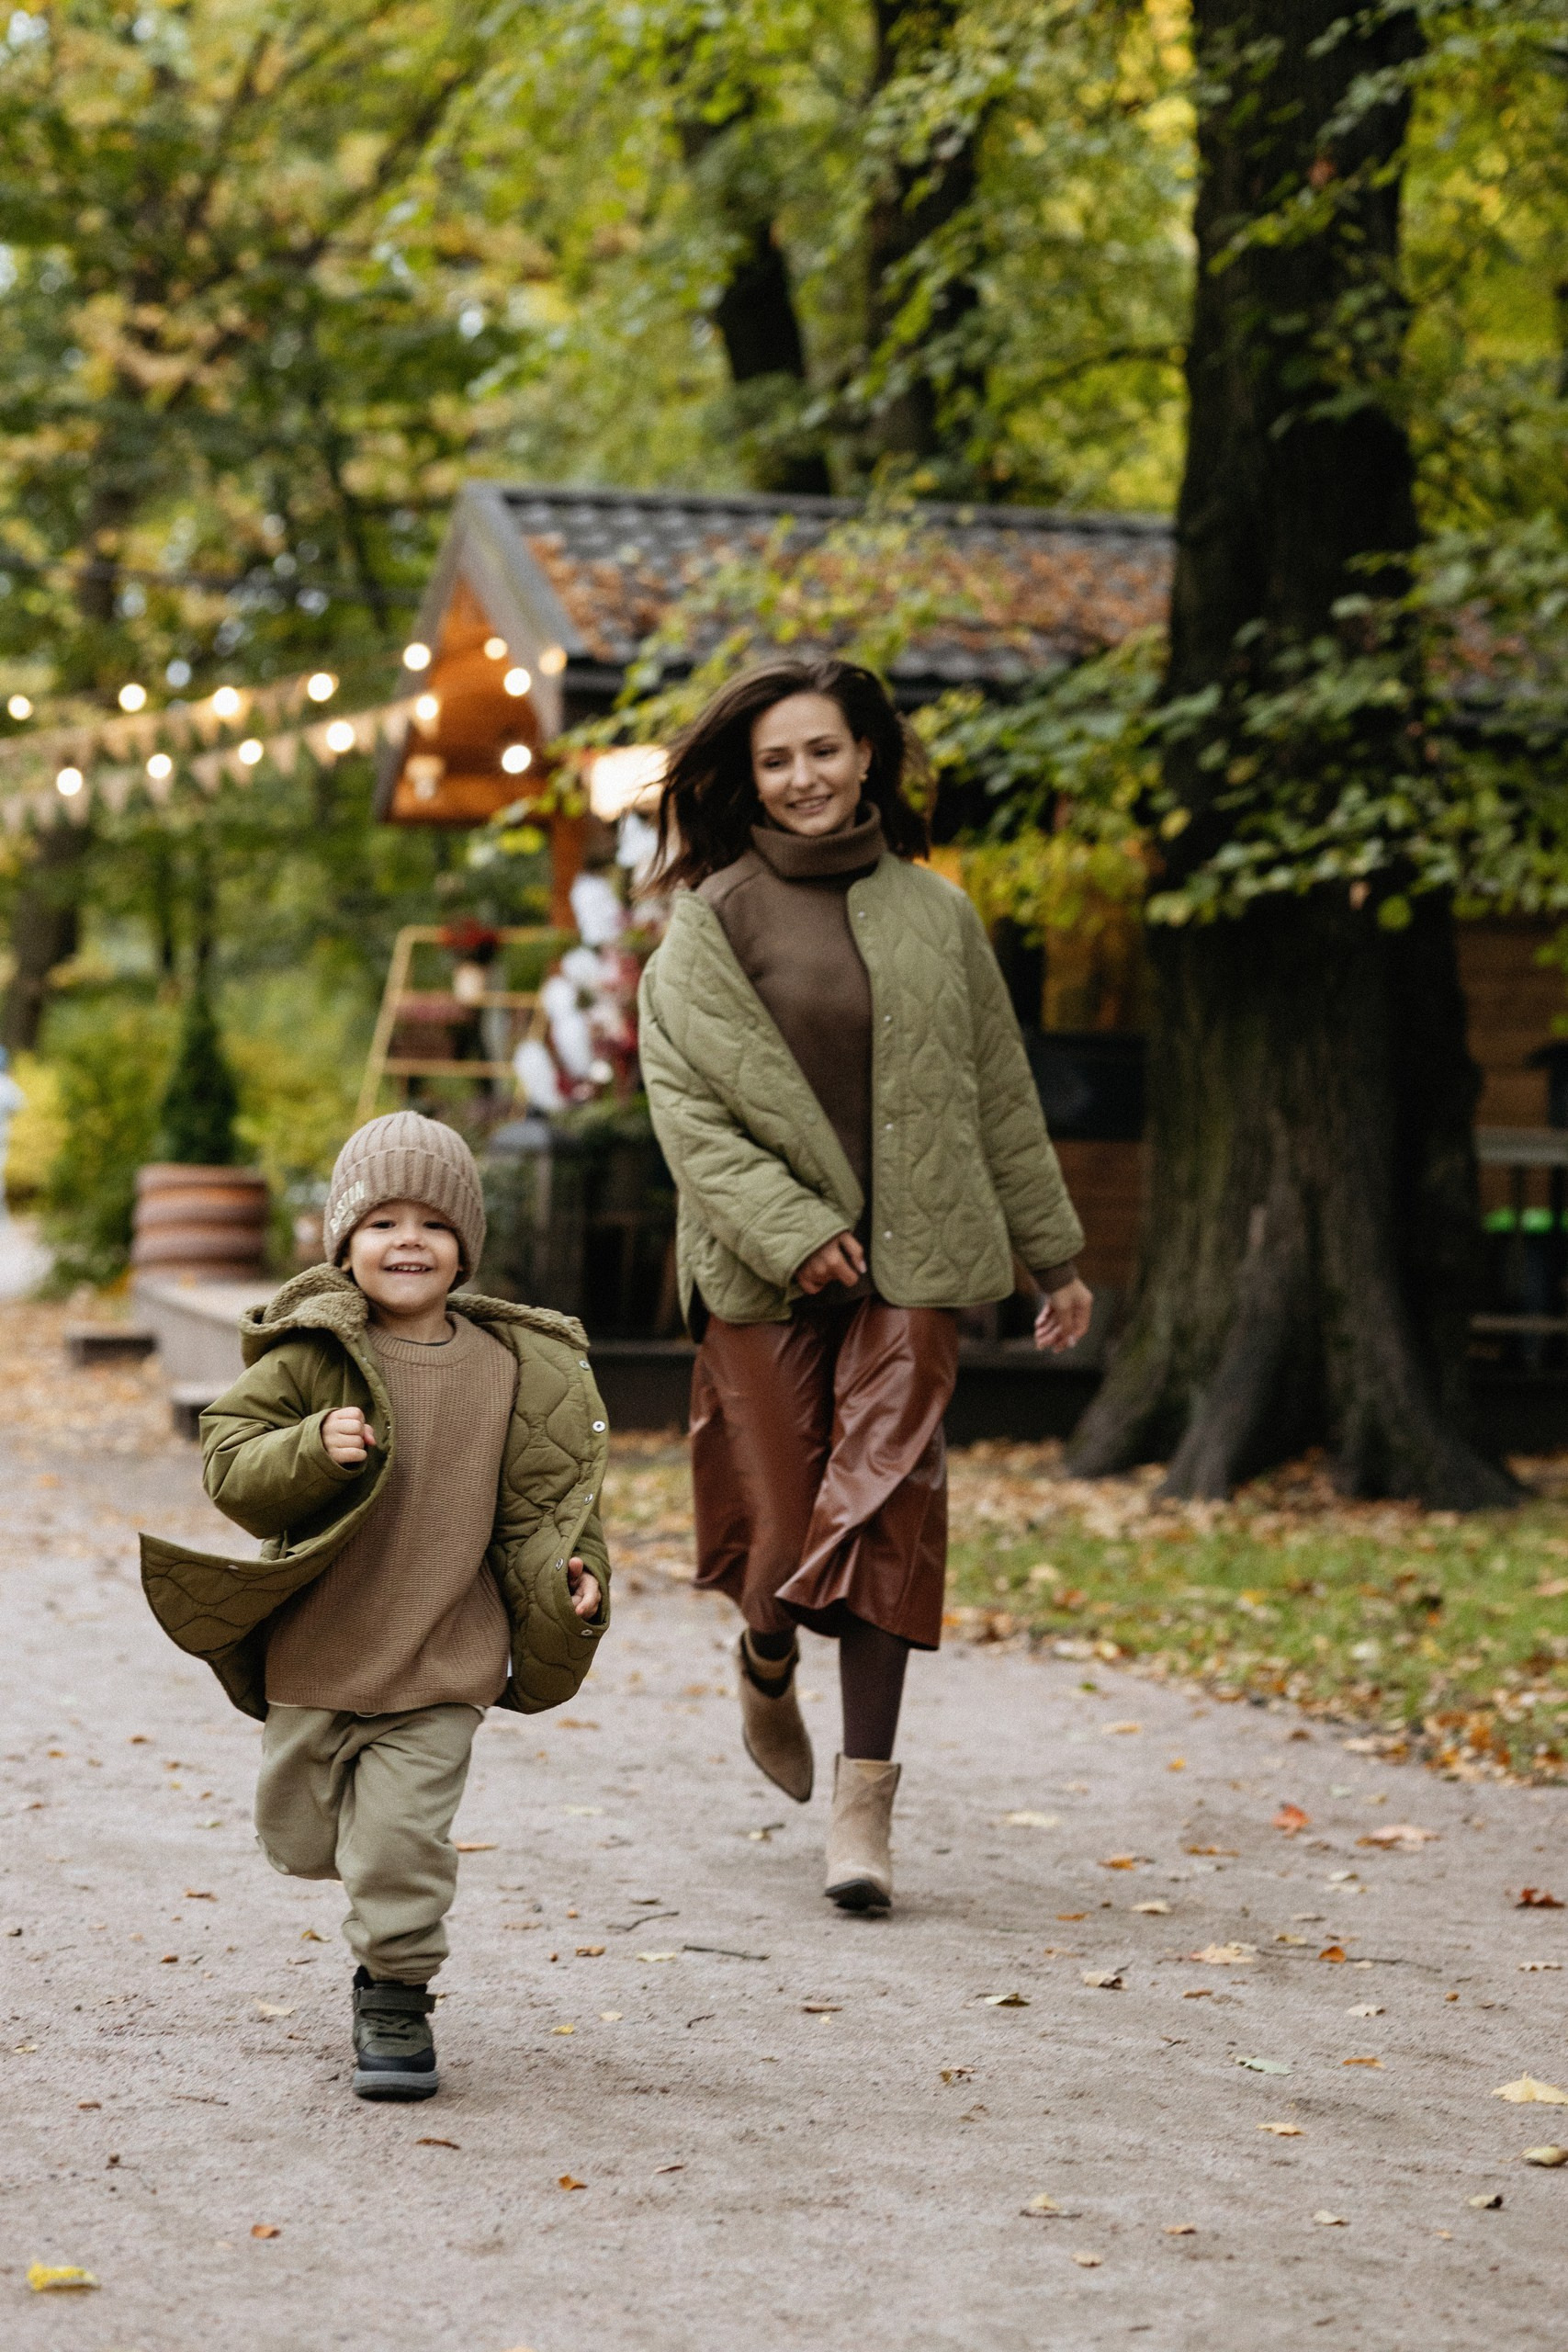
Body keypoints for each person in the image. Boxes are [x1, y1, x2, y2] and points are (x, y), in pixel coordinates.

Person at [637, 656, 1091, 1914]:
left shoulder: (937, 914)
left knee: (889, 1516)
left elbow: (1000, 1092)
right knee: (787, 1535)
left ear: (867, 756)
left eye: (824, 751)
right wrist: (791, 1231)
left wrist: (1052, 1256)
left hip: (920, 1260)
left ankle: (862, 1815)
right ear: (748, 777)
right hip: (762, 1270)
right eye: (777, 759)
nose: (804, 778)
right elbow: (687, 1112)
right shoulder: (711, 921)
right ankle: (765, 1651)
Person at [139, 1111, 612, 2102]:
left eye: (435, 1224)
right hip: (319, 1651)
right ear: (344, 1243)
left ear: (465, 1248)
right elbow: (229, 1463)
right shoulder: (315, 1355)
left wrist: (577, 1576)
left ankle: (395, 1993)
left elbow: (550, 1505)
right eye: (383, 1221)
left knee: (399, 1846)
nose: (409, 1241)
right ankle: (373, 1908)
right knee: (303, 1840)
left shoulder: (509, 1368)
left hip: (444, 1654)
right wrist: (311, 1448)